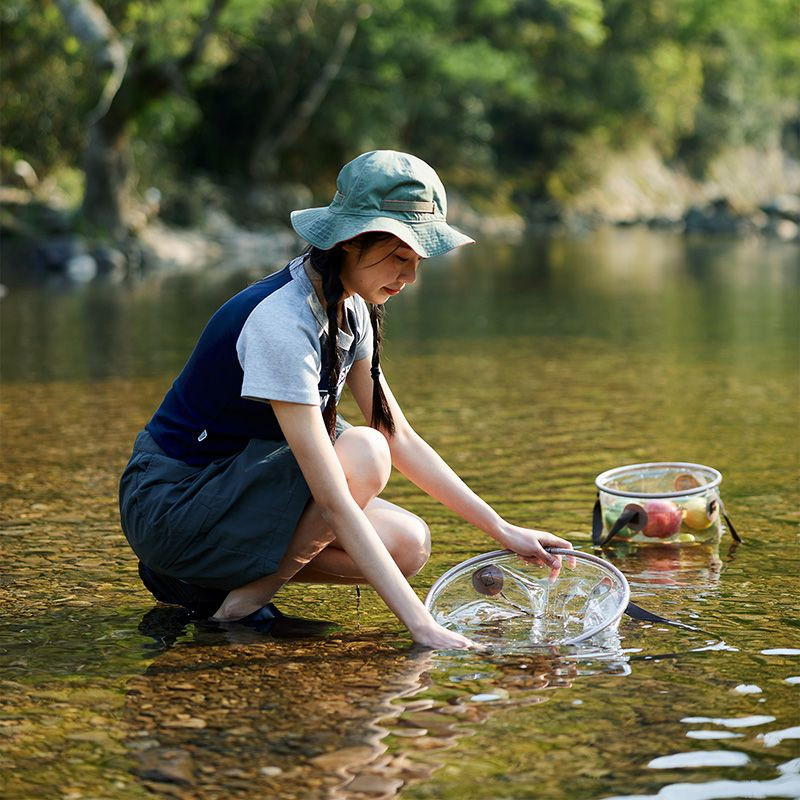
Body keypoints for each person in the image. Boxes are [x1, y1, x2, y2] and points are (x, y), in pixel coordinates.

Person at [119, 150, 574, 650]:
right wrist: (422, 628)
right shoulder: (282, 323)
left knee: (409, 543)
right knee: (363, 451)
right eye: (400, 257)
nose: (409, 277)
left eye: (417, 261)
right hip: (172, 507)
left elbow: (398, 434)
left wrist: (501, 529)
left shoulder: (351, 308)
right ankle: (240, 601)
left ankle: (204, 583)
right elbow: (336, 497)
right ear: (350, 242)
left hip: (232, 490)